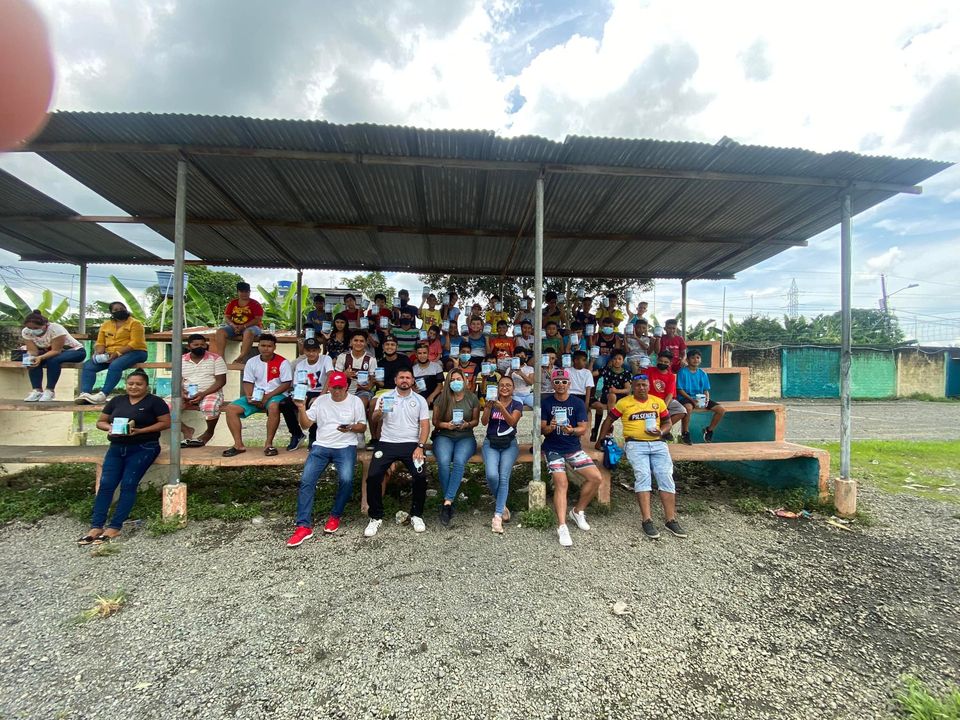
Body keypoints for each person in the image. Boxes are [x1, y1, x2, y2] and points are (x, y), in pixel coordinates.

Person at [76, 370, 170, 545]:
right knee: (106, 485)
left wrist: (141, 431)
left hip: (143, 447)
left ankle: (115, 526)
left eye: (139, 384)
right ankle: (96, 526)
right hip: (117, 447)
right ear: (126, 385)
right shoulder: (117, 401)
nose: (134, 387)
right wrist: (109, 428)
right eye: (130, 383)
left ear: (146, 386)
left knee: (128, 484)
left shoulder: (155, 402)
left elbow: (165, 423)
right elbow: (100, 422)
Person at [595, 374, 686, 541]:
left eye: (644, 385)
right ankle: (647, 520)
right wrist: (600, 440)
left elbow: (667, 422)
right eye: (638, 385)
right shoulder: (624, 403)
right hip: (635, 444)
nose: (641, 388)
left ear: (648, 386)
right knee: (643, 476)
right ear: (633, 387)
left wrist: (662, 431)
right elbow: (609, 420)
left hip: (658, 443)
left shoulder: (657, 402)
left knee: (666, 476)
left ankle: (671, 520)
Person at [285, 370, 368, 545]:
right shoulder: (321, 401)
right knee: (307, 480)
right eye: (333, 387)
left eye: (340, 387)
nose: (336, 391)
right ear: (329, 387)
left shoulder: (355, 401)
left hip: (345, 446)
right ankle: (303, 526)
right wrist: (301, 408)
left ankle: (335, 515)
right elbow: (306, 425)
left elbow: (362, 427)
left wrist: (350, 427)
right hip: (321, 445)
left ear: (346, 387)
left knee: (346, 479)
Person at [364, 368, 431, 538]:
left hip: (411, 444)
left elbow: (425, 425)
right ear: (395, 380)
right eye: (401, 377)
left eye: (408, 377)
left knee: (420, 476)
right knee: (373, 476)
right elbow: (375, 419)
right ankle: (376, 516)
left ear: (413, 381)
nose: (404, 380)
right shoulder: (385, 397)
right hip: (387, 442)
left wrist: (420, 446)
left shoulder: (420, 400)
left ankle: (416, 515)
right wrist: (379, 412)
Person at [540, 368, 603, 547]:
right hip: (553, 449)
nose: (560, 384)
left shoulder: (577, 403)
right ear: (552, 384)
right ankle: (562, 526)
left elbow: (583, 428)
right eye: (557, 382)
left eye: (564, 382)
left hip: (573, 448)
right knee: (562, 483)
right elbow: (542, 429)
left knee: (596, 478)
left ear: (569, 384)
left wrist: (572, 430)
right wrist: (550, 427)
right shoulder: (546, 403)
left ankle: (577, 511)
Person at [223, 334, 292, 457]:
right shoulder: (251, 361)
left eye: (269, 346)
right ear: (258, 346)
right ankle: (238, 445)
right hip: (256, 395)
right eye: (263, 345)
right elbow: (248, 381)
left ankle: (268, 444)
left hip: (277, 394)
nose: (266, 348)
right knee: (231, 408)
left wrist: (267, 397)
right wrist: (250, 396)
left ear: (274, 347)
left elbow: (286, 383)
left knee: (274, 407)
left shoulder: (283, 362)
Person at [431, 370, 480, 527]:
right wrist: (447, 425)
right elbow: (435, 421)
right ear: (448, 382)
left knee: (459, 461)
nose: (455, 382)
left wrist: (466, 424)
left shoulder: (472, 398)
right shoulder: (442, 398)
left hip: (465, 436)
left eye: (458, 379)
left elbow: (476, 421)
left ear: (464, 380)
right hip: (444, 435)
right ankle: (449, 502)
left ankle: (447, 502)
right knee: (443, 462)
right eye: (452, 380)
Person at [76, 302, 148, 405]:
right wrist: (99, 352)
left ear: (126, 309)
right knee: (89, 365)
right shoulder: (106, 325)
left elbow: (135, 343)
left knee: (115, 365)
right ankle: (85, 394)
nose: (119, 311)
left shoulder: (135, 323)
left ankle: (103, 394)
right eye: (116, 310)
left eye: (122, 308)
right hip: (110, 354)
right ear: (111, 312)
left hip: (136, 352)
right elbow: (100, 342)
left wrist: (117, 353)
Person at [481, 374, 522, 534]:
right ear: (497, 388)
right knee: (492, 475)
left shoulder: (517, 403)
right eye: (502, 385)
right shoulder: (491, 402)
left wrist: (501, 408)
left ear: (513, 388)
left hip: (509, 443)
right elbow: (484, 422)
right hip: (491, 442)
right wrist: (488, 408)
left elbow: (512, 421)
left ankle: (497, 516)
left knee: (503, 477)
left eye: (508, 385)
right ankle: (502, 504)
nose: (505, 388)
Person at [21, 309, 86, 402]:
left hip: (74, 351)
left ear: (45, 325)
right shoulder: (26, 332)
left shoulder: (56, 329)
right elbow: (32, 350)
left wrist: (40, 357)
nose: (32, 331)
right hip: (49, 352)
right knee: (32, 359)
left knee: (53, 360)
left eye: (36, 328)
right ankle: (37, 391)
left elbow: (56, 351)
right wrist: (29, 358)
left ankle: (50, 391)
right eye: (29, 328)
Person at [280, 337, 333, 450]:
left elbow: (330, 376)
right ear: (304, 351)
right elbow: (298, 385)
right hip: (304, 391)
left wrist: (321, 396)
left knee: (315, 404)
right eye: (308, 350)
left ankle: (313, 437)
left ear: (319, 350)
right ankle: (296, 434)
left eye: (314, 350)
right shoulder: (300, 365)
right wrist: (298, 397)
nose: (311, 353)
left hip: (321, 392)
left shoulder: (326, 359)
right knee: (284, 404)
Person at [176, 334, 227, 447]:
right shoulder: (180, 360)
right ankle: (186, 430)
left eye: (202, 344)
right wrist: (182, 392)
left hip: (210, 392)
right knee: (164, 407)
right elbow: (176, 380)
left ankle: (209, 432)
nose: (200, 347)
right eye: (196, 345)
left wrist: (203, 394)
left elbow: (221, 381)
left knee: (209, 407)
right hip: (186, 393)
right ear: (189, 346)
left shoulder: (216, 359)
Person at [676, 349, 725, 444]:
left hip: (700, 398)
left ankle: (709, 430)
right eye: (692, 358)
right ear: (687, 360)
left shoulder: (702, 373)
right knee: (688, 408)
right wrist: (692, 400)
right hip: (685, 397)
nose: (695, 360)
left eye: (698, 358)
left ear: (700, 360)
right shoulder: (682, 372)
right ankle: (685, 433)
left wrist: (707, 399)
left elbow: (706, 390)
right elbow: (679, 389)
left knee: (721, 410)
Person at [213, 281, 264, 363]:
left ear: (249, 292)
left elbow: (257, 319)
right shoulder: (232, 303)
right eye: (242, 291)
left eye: (246, 291)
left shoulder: (255, 304)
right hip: (234, 326)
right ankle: (221, 359)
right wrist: (233, 326)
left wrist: (243, 326)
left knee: (249, 332)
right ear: (238, 292)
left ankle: (240, 358)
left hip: (252, 327)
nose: (244, 294)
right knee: (220, 332)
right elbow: (227, 317)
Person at [645, 349, 687, 441]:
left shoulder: (671, 376)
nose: (662, 363)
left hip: (665, 400)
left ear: (670, 364)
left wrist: (663, 408)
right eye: (661, 361)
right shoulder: (648, 371)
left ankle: (664, 429)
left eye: (665, 362)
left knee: (682, 411)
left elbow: (670, 394)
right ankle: (663, 431)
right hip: (650, 399)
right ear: (657, 360)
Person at [591, 349, 631, 442]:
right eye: (615, 359)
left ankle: (608, 422)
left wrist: (617, 390)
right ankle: (609, 425)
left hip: (620, 396)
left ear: (623, 361)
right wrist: (591, 363)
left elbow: (628, 389)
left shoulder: (626, 373)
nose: (617, 361)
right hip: (606, 395)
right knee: (611, 396)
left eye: (619, 359)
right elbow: (591, 374)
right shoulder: (606, 370)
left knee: (613, 395)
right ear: (611, 360)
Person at [333, 332, 378, 414]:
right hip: (343, 390)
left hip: (362, 391)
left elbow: (373, 379)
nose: (358, 343)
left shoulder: (371, 359)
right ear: (351, 342)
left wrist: (369, 387)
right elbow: (335, 378)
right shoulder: (343, 356)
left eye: (361, 341)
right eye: (356, 340)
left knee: (361, 402)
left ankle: (359, 421)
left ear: (366, 343)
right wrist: (344, 375)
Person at [412, 342, 445, 407]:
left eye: (424, 353)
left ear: (428, 353)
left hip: (435, 398)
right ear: (416, 355)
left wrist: (431, 397)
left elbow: (440, 386)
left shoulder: (437, 366)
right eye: (419, 353)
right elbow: (411, 385)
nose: (422, 355)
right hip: (419, 399)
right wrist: (414, 389)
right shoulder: (413, 369)